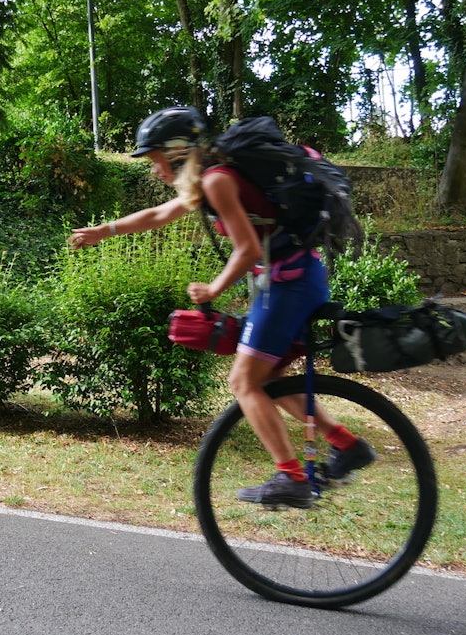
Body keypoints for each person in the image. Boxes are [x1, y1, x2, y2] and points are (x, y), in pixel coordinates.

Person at [68, 106, 375, 508]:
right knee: (269, 380)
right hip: (300, 277)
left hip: (288, 285)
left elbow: (247, 249)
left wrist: (213, 289)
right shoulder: (211, 180)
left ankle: (291, 476)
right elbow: (160, 214)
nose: (153, 168)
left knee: (243, 382)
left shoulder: (217, 180)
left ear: (178, 152)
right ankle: (346, 445)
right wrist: (104, 231)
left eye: (156, 158)